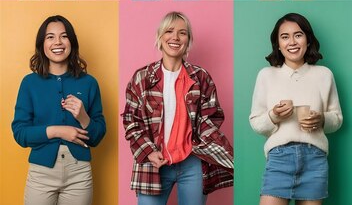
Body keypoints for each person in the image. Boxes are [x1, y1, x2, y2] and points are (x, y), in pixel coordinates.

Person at [122, 11, 233, 204]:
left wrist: (205, 144)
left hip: (193, 164)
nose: (175, 37)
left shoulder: (201, 77)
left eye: (182, 33)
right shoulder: (142, 77)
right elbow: (131, 120)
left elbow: (213, 116)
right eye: (169, 31)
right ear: (160, 36)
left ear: (188, 40)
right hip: (152, 162)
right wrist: (148, 151)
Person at [12, 15, 106, 205]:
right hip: (41, 173)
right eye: (50, 37)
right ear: (42, 44)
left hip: (79, 173)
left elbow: (97, 136)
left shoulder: (89, 83)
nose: (58, 42)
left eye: (64, 36)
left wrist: (83, 117)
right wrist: (57, 131)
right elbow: (20, 133)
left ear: (71, 42)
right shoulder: (29, 83)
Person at [250, 12, 342, 205]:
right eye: (285, 37)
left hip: (315, 159)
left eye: (298, 35)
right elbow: (256, 123)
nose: (292, 42)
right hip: (279, 158)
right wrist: (274, 115)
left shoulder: (324, 75)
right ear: (278, 44)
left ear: (308, 40)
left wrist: (322, 119)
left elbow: (337, 119)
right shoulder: (266, 75)